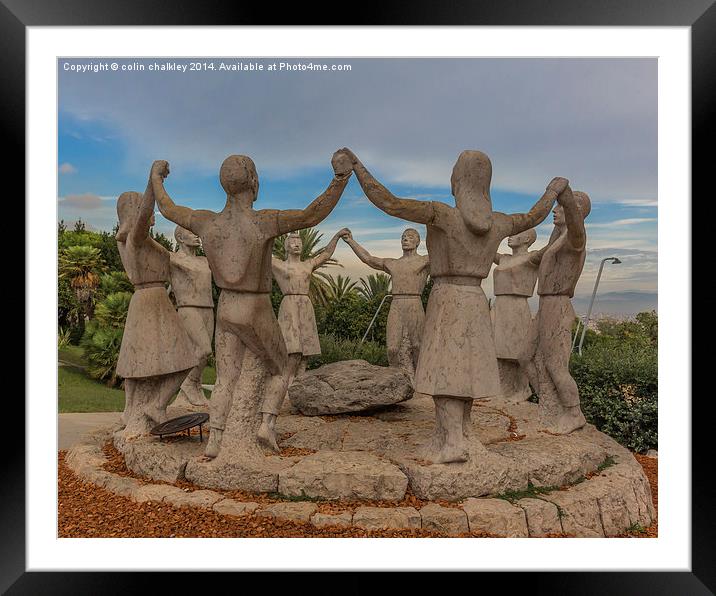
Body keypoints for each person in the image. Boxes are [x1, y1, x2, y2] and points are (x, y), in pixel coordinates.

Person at [341, 147, 566, 463]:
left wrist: (357, 167)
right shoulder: (499, 223)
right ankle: (461, 433)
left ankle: (453, 442)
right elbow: (532, 216)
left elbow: (389, 202)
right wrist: (553, 191)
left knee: (445, 370)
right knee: (467, 370)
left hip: (447, 297)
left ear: (456, 181)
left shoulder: (441, 214)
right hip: (475, 298)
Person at [150, 151, 353, 457]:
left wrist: (156, 177)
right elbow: (312, 214)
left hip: (225, 307)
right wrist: (340, 179)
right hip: (255, 307)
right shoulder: (264, 221)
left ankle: (216, 438)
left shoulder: (206, 222)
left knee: (224, 379)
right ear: (255, 184)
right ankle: (266, 426)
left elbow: (167, 208)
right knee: (283, 367)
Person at [115, 184, 196, 438]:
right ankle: (155, 405)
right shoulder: (135, 239)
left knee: (136, 363)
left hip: (148, 301)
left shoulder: (136, 241)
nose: (153, 213)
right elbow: (142, 218)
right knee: (186, 360)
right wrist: (154, 181)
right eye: (147, 208)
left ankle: (130, 410)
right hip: (152, 301)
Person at [519, 185, 591, 434]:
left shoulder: (575, 239)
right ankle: (551, 404)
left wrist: (563, 192)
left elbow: (574, 221)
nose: (556, 210)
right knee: (524, 356)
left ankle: (573, 412)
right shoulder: (556, 240)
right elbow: (533, 259)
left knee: (556, 366)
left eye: (562, 207)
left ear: (575, 210)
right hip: (545, 304)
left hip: (558, 305)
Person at [266, 228, 349, 431]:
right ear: (286, 246)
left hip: (305, 305)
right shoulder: (278, 264)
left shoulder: (307, 265)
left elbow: (326, 255)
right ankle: (287, 387)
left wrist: (336, 236)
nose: (297, 244)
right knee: (292, 351)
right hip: (289, 305)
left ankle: (299, 388)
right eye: (293, 241)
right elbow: (261, 252)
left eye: (299, 241)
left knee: (305, 354)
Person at [342, 228, 429, 383]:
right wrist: (351, 242)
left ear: (417, 242)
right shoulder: (392, 263)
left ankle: (421, 380)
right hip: (396, 304)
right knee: (392, 348)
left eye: (410, 237)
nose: (405, 239)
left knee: (417, 346)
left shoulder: (425, 260)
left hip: (415, 303)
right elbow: (368, 259)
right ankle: (397, 380)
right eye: (403, 237)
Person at [491, 228, 540, 401]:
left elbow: (552, 248)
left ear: (527, 238)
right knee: (498, 350)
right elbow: (485, 248)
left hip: (517, 306)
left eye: (516, 233)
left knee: (518, 351)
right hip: (499, 306)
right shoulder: (504, 258)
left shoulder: (531, 257)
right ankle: (503, 388)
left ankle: (522, 388)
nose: (510, 236)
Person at [169, 225, 215, 408]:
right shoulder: (173, 258)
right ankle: (188, 384)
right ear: (180, 237)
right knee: (204, 350)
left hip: (208, 307)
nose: (197, 235)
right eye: (191, 233)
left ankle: (194, 389)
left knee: (202, 355)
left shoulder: (205, 260)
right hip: (188, 308)